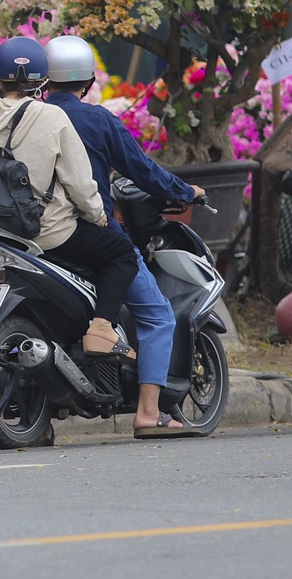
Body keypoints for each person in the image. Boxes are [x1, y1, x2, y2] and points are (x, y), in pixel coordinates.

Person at [43, 34, 207, 438]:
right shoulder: (96, 120)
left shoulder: (30, 119)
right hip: (89, 232)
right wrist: (186, 192)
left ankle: (41, 420)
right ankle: (149, 414)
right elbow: (142, 170)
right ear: (89, 79)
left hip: (35, 237)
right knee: (156, 313)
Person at [0, 37, 139, 357]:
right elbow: (81, 183)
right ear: (43, 81)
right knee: (121, 254)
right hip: (45, 232)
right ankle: (101, 328)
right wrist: (97, 214)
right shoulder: (52, 118)